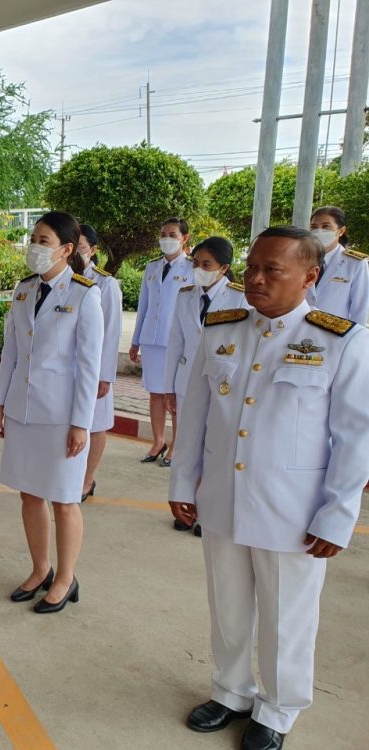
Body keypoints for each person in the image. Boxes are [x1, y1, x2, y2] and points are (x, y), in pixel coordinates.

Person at [169, 225, 369, 750]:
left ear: (309, 277)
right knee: (228, 605)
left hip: (293, 511)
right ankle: (231, 691)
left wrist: (337, 516)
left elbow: (355, 439)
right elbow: (195, 414)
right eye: (252, 267)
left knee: (287, 616)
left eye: (271, 270)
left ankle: (278, 709)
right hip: (223, 498)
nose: (255, 278)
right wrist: (183, 480)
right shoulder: (222, 328)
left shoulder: (340, 340)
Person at [0, 211, 103, 613]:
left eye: (44, 241)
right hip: (23, 410)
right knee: (29, 493)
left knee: (64, 499)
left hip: (60, 416)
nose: (34, 247)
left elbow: (88, 368)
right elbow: (12, 354)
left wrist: (81, 424)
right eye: (34, 239)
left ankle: (66, 578)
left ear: (66, 250)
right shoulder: (23, 290)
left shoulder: (84, 295)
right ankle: (40, 569)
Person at [163, 236, 246, 531]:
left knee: (215, 447)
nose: (199, 269)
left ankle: (205, 510)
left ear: (223, 268)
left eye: (206, 264)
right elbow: (175, 342)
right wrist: (168, 387)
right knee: (188, 443)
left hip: (223, 383)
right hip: (187, 379)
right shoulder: (185, 294)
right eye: (196, 263)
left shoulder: (239, 298)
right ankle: (185, 501)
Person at [129, 217, 194, 466]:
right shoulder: (152, 267)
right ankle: (158, 441)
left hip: (177, 340)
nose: (166, 239)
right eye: (163, 234)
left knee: (175, 395)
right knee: (155, 393)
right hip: (152, 338)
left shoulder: (192, 268)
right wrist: (136, 341)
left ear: (185, 239)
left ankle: (176, 445)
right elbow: (143, 305)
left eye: (172, 235)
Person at [76, 224, 122, 501]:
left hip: (95, 368)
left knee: (95, 423)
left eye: (81, 247)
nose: (76, 251)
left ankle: (87, 479)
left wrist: (105, 375)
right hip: (70, 368)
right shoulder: (61, 279)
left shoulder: (105, 283)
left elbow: (113, 331)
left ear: (92, 250)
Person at [307, 205, 369, 324]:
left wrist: (356, 334)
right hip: (300, 328)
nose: (319, 231)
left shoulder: (356, 263)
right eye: (314, 227)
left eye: (326, 226)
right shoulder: (301, 258)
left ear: (341, 231)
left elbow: (361, 307)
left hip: (334, 331)